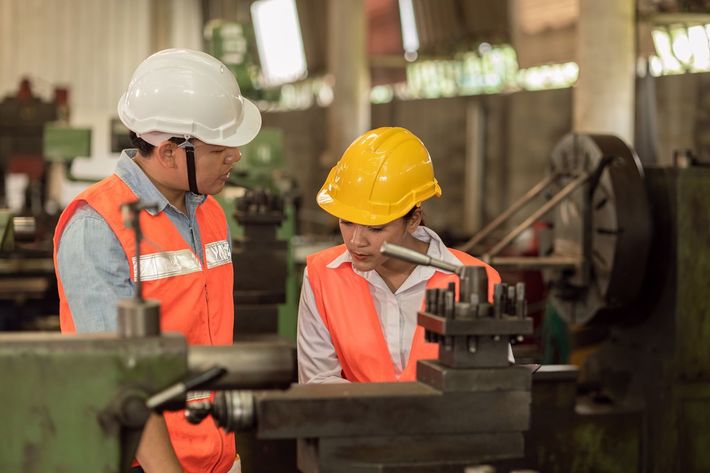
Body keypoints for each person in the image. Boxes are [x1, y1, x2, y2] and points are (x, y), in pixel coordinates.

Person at [53, 49, 261, 473]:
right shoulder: (98, 226)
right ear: (168, 152)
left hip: (215, 454)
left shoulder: (210, 213)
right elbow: (118, 377)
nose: (235, 156)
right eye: (219, 148)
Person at [297, 127, 503, 384]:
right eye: (346, 222)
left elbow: (490, 385)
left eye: (376, 228)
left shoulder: (474, 281)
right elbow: (317, 381)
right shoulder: (322, 276)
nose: (356, 241)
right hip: (353, 412)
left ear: (413, 219)